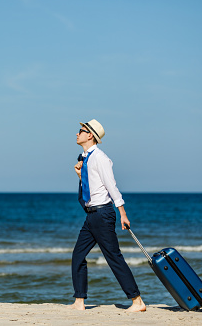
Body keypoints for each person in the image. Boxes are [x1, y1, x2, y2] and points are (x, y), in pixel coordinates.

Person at [69, 119, 146, 312]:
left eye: (81, 130)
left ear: (90, 136)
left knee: (113, 258)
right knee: (78, 256)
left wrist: (123, 213)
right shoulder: (86, 158)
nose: (77, 133)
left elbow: (112, 187)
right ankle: (79, 301)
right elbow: (92, 188)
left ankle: (137, 301)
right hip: (92, 215)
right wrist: (80, 175)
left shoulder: (100, 158)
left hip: (103, 214)